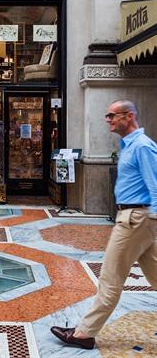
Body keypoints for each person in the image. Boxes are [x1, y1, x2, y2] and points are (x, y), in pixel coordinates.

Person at [51, 100, 157, 350]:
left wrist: (150, 220)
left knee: (110, 279)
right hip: (136, 218)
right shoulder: (129, 145)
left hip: (135, 219)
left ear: (129, 116)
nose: (107, 119)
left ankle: (84, 334)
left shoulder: (142, 146)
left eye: (112, 115)